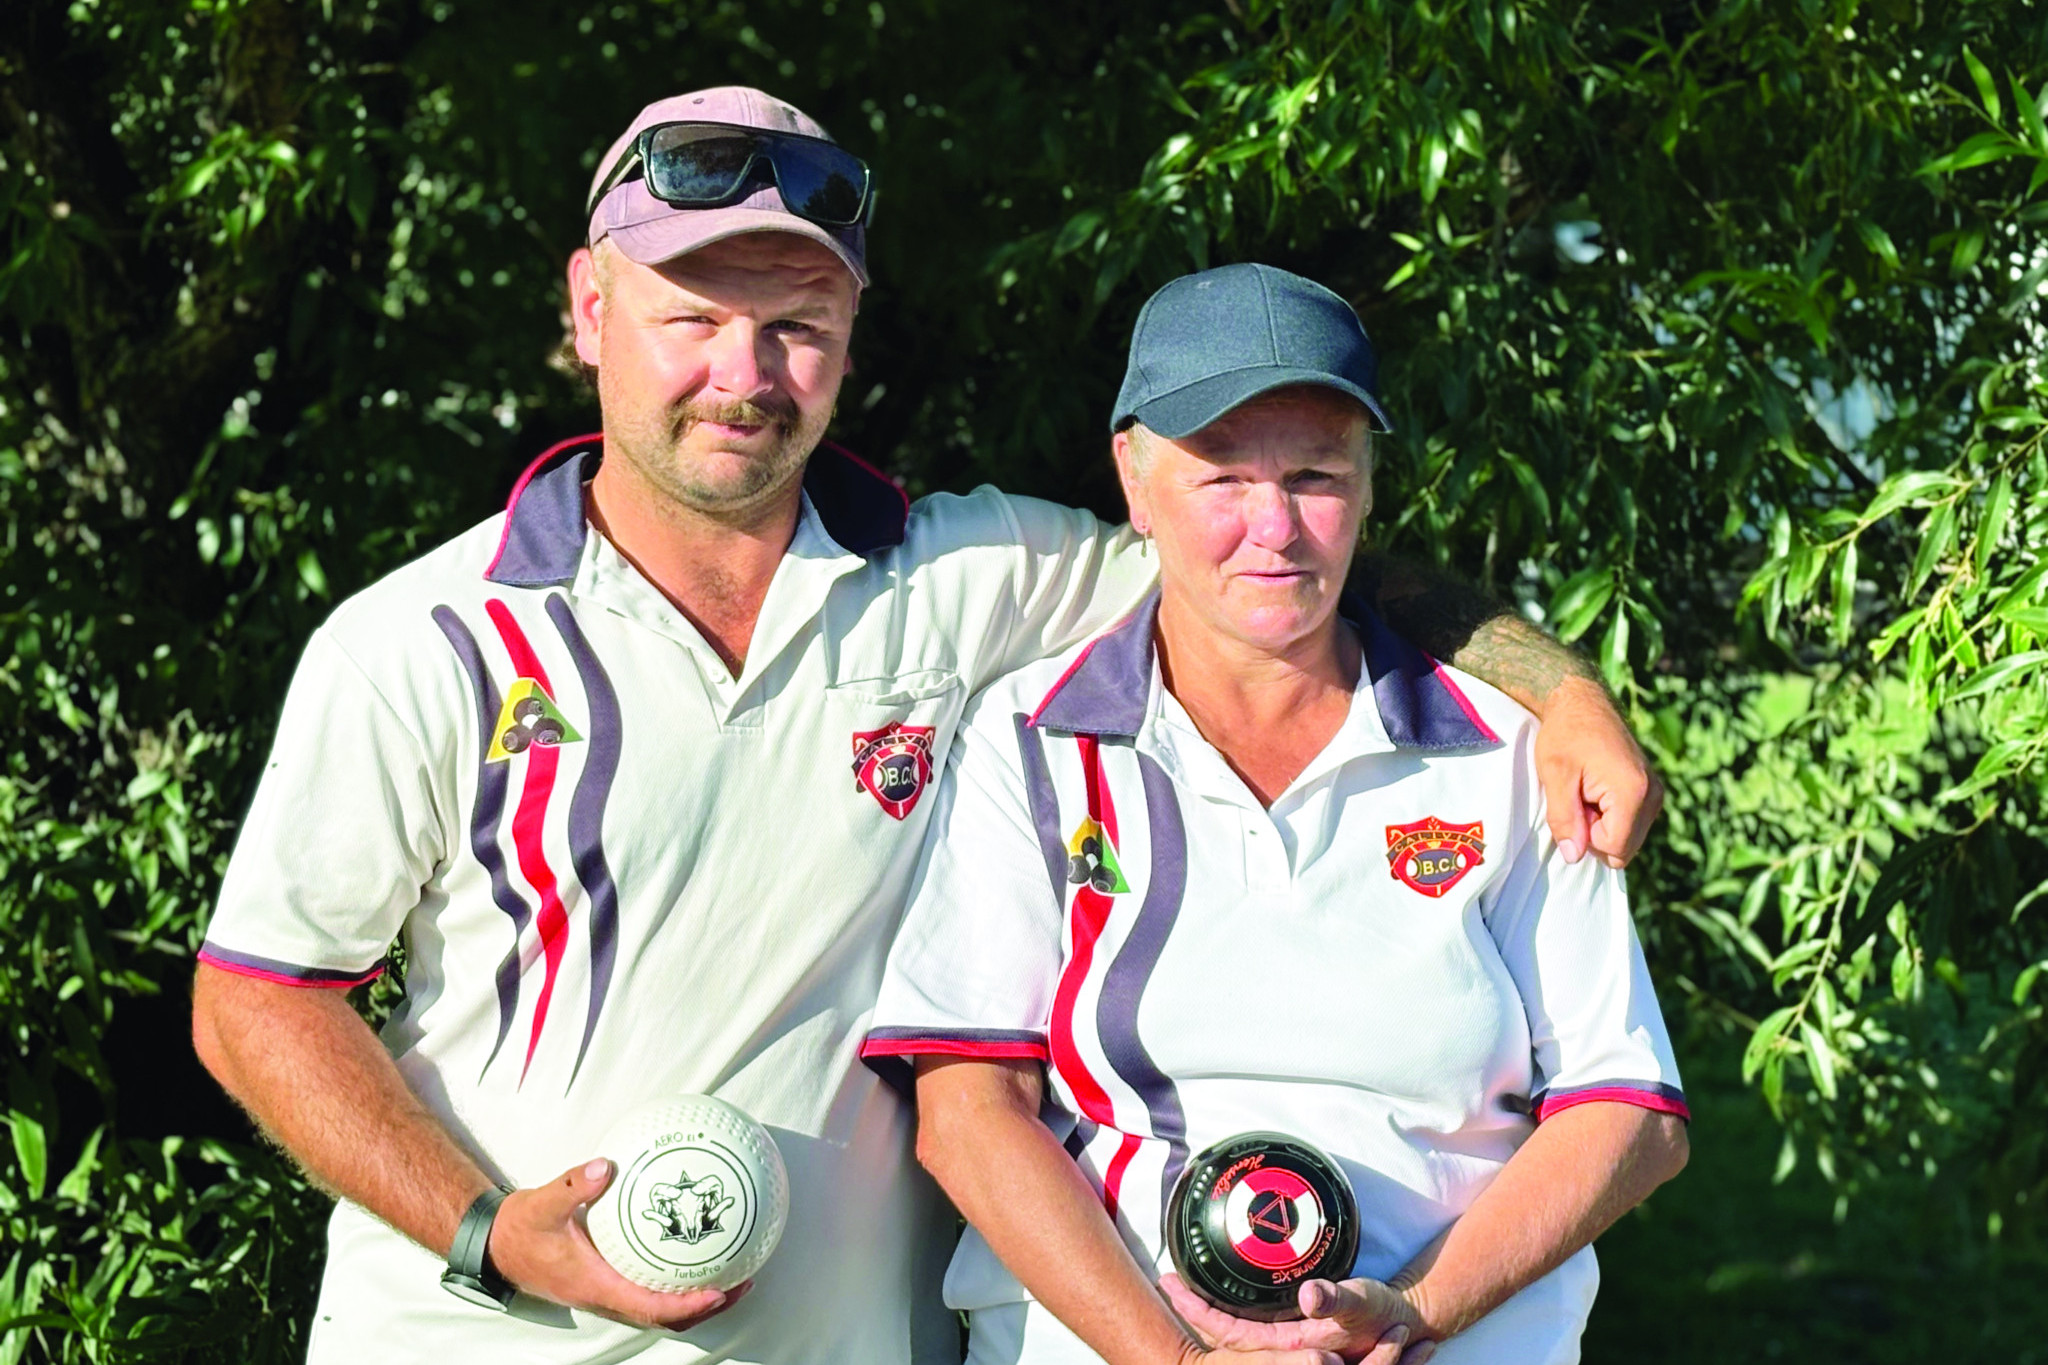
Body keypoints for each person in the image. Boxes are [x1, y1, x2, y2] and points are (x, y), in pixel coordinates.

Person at [190, 88, 1664, 1365]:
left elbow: (1265, 561)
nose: (743, 374)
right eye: (689, 319)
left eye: (795, 328)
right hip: (473, 1335)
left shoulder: (974, 578)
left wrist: (1562, 684)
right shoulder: (418, 640)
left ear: (847, 337)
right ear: (589, 311)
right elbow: (259, 999)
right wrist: (484, 1227)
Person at [863, 265, 1689, 1365]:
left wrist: (1418, 1312)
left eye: (1314, 475)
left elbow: (1623, 1111)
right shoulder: (1029, 738)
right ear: (1135, 479)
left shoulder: (1513, 752)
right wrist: (1175, 1362)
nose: (1274, 527)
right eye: (1220, 478)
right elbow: (970, 1112)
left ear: (1367, 484)